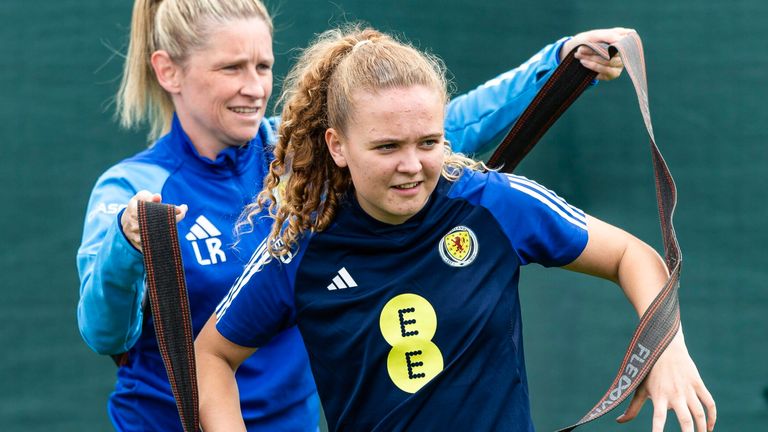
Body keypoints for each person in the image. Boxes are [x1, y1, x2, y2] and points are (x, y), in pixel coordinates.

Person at [76, 0, 628, 430]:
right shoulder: (134, 189)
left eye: (263, 65)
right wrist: (126, 247)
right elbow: (104, 333)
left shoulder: (302, 155)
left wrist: (557, 64)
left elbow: (436, 126)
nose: (254, 86)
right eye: (231, 68)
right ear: (168, 71)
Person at [195, 26, 717, 432]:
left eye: (428, 142)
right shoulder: (303, 247)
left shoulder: (490, 203)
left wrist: (666, 346)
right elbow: (212, 356)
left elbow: (633, 256)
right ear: (338, 147)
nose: (412, 165)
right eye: (386, 147)